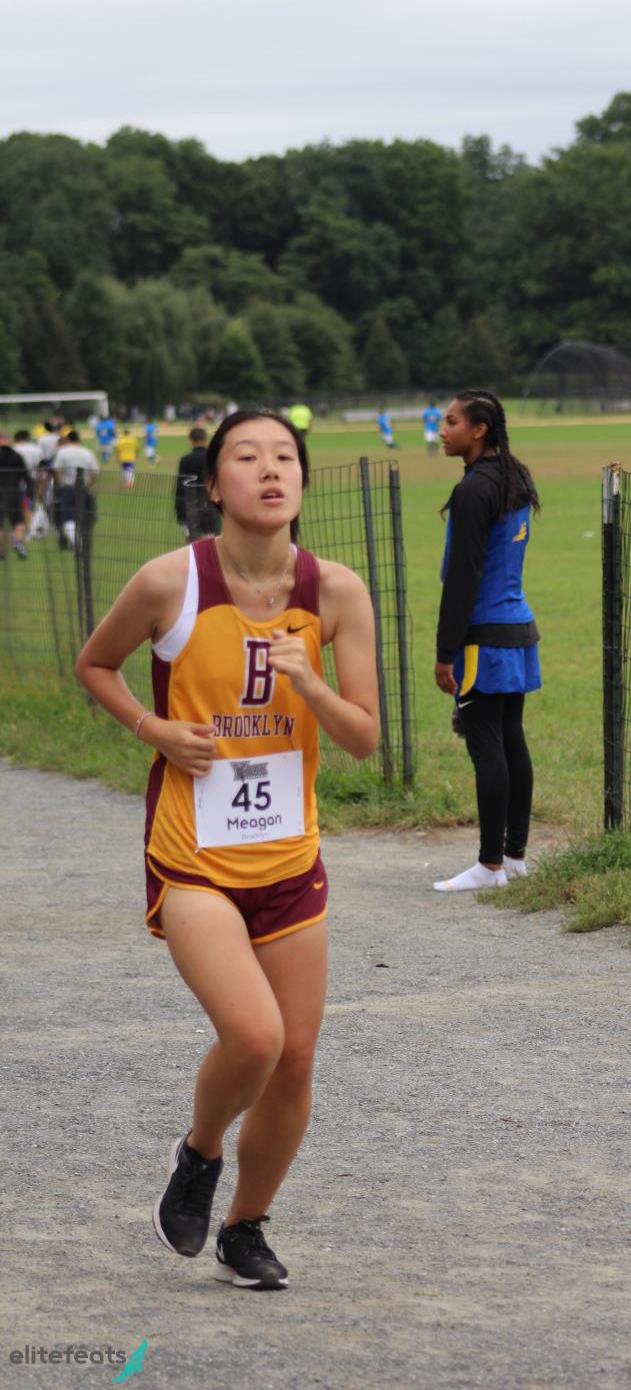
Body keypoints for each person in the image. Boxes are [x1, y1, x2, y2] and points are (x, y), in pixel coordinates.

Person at [75, 410, 380, 1291]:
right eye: (247, 457)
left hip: (289, 861)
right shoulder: (169, 581)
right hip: (194, 858)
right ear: (212, 484)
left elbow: (363, 738)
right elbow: (95, 664)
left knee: (295, 1058)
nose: (270, 470)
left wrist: (308, 679)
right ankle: (200, 1153)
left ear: (303, 479)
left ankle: (246, 1229)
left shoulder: (337, 592)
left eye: (286, 456)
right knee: (254, 1036)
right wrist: (154, 728)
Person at [434, 391, 541, 892]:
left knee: (487, 746)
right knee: (511, 737)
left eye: (452, 422)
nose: (442, 431)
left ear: (479, 430)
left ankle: (490, 866)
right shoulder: (515, 474)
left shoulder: (475, 489)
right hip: (517, 627)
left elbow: (463, 578)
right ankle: (515, 857)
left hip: (484, 637)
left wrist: (444, 652)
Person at [52, 429, 99, 551]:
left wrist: (60, 484)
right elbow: (95, 474)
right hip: (83, 488)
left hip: (68, 488)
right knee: (82, 516)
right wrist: (88, 484)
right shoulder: (88, 452)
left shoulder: (63, 452)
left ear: (68, 440)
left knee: (67, 517)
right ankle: (80, 541)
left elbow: (57, 471)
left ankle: (77, 542)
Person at [174, 426, 222, 540]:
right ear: (205, 439)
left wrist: (179, 512)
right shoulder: (213, 458)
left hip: (192, 503)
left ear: (191, 440)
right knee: (212, 539)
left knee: (192, 540)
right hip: (211, 503)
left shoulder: (186, 460)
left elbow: (181, 487)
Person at [0, 429, 30, 560]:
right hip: (14, 493)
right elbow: (26, 476)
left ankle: (1, 554)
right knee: (19, 523)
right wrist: (30, 493)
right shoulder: (16, 456)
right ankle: (15, 541)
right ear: (8, 440)